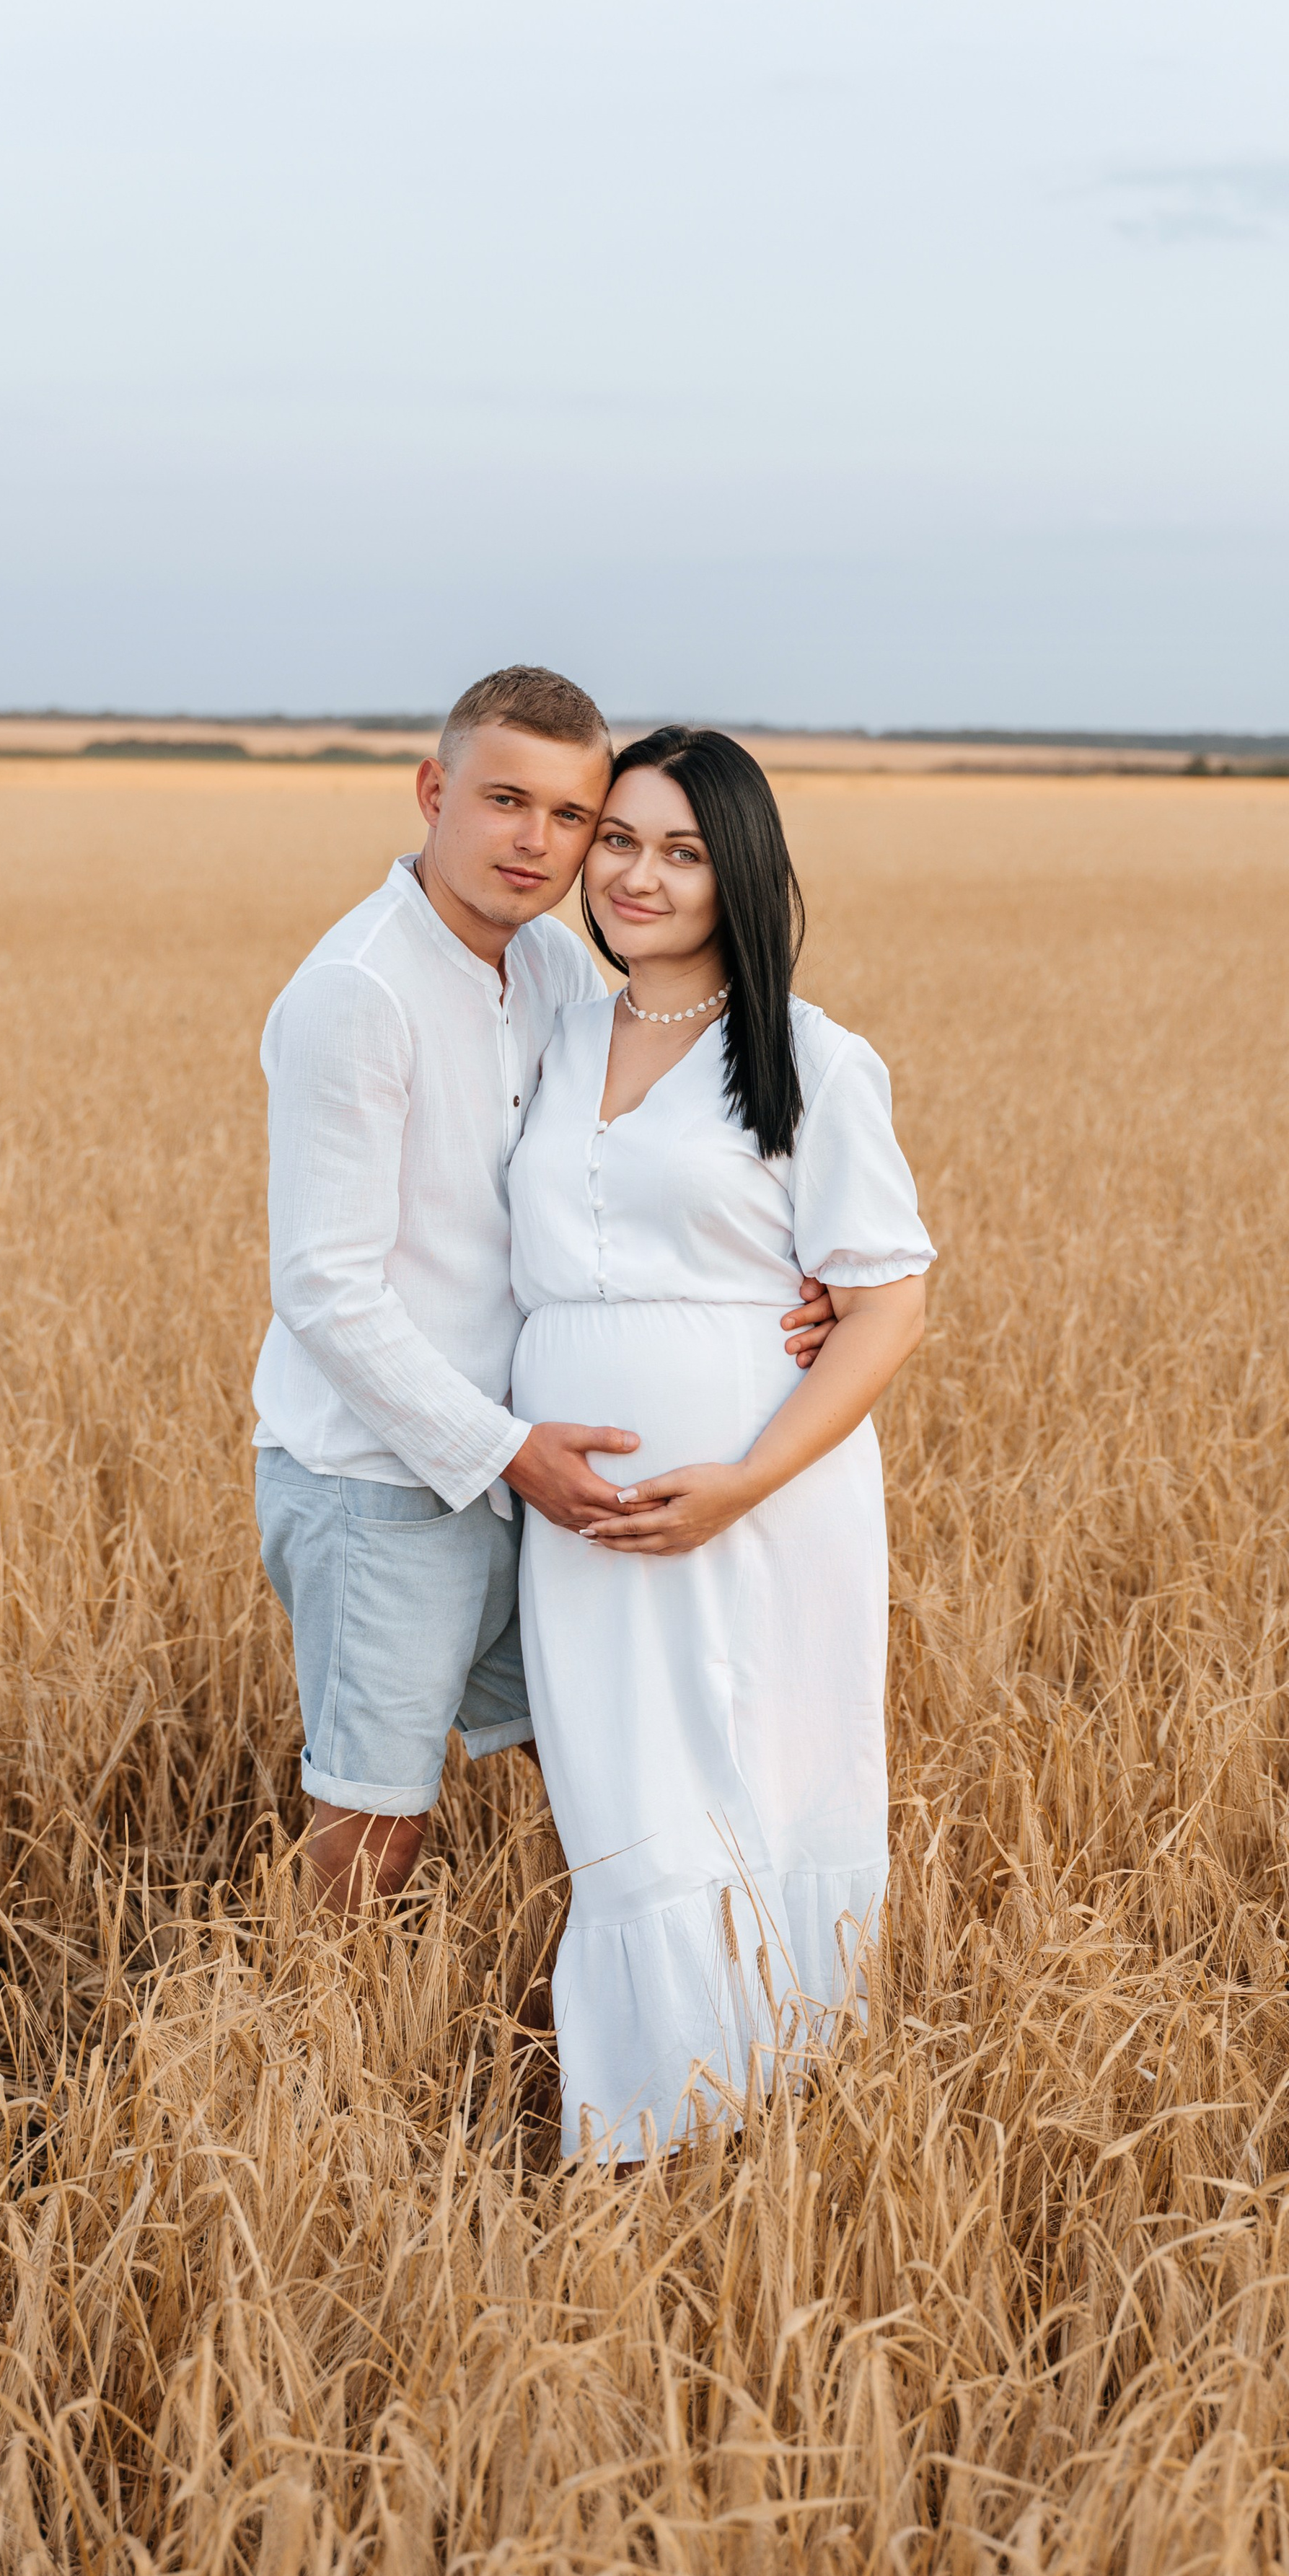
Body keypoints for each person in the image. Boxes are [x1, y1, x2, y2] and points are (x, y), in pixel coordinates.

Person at [251, 671, 836, 1910]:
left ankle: (580, 2011)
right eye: (505, 799)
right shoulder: (358, 994)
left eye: (572, 816)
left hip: (539, 1477)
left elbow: (639, 1179)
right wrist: (514, 1453)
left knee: (580, 1770)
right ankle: (301, 2068)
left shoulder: (566, 979)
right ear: (433, 791)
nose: (537, 841)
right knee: (376, 1822)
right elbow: (324, 1287)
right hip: (383, 1481)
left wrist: (794, 1292)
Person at [508, 727, 935, 2161]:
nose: (636, 874)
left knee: (761, 1772)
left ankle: (770, 2124)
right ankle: (645, 2129)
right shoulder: (555, 1031)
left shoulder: (808, 1053)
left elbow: (883, 1306)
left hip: (759, 1501)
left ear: (735, 870)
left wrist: (741, 1482)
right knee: (626, 1805)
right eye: (616, 839)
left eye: (681, 852)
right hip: (576, 1517)